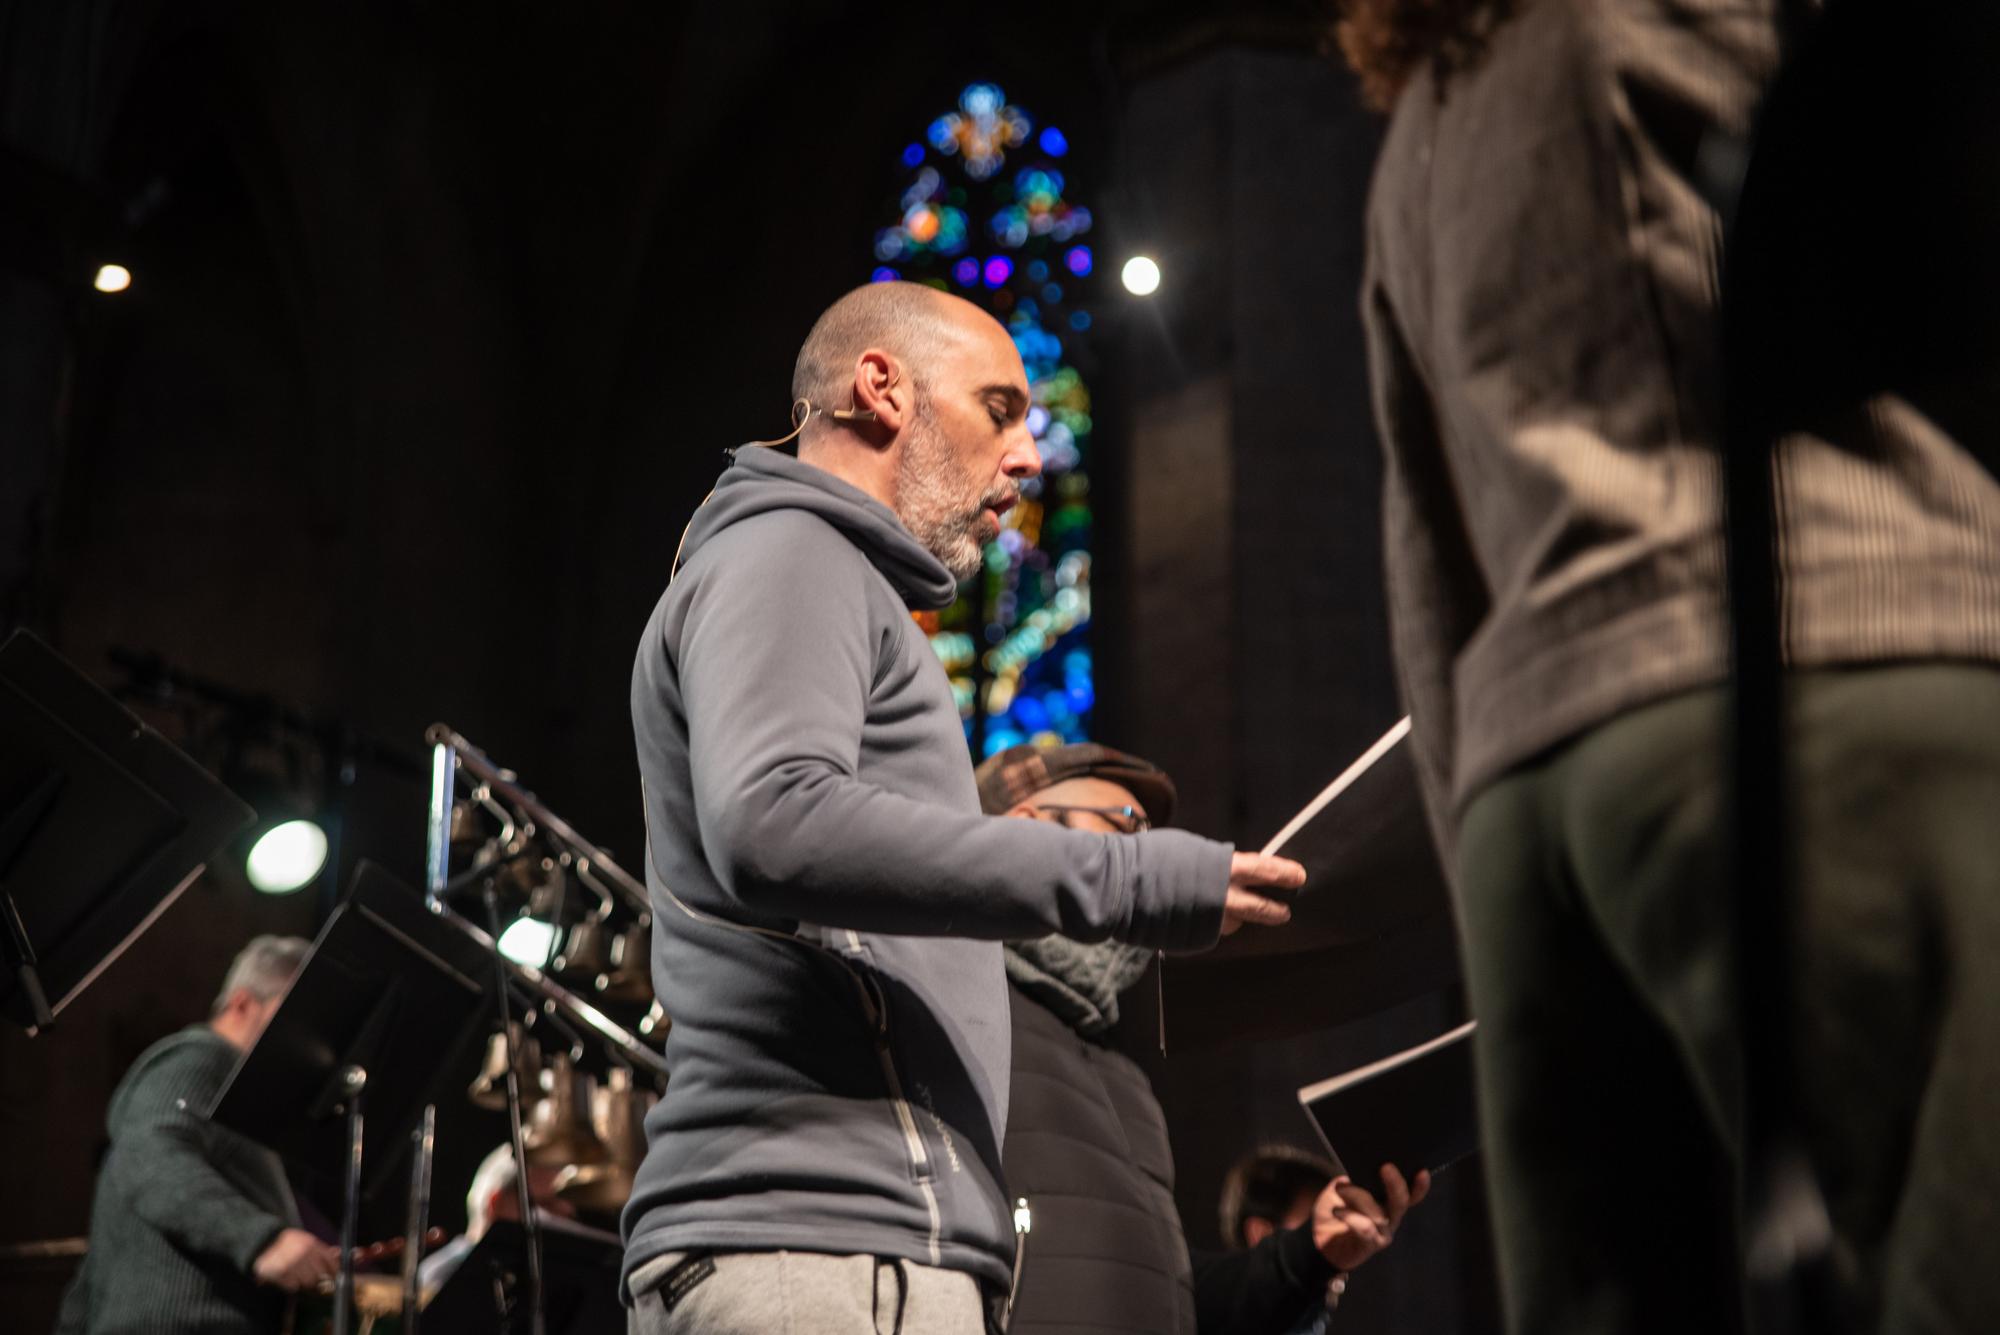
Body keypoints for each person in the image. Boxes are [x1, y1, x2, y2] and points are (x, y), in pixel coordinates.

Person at [1338, 1, 2000, 1332]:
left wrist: (1490, 874)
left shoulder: (1413, 136)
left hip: (1535, 807)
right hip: (1823, 654)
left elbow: (1427, 562)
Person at [624, 281, 1306, 1334]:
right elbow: (774, 822)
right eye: (999, 409)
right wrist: (1131, 879)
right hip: (821, 1249)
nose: (1028, 456)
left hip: (858, 1253)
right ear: (880, 387)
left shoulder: (823, 575)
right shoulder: (793, 548)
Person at [981, 742, 1426, 1335]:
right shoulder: (957, 1012)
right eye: (1127, 828)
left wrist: (1310, 1254)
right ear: (1026, 830)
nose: (1152, 862)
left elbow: (1176, 1297)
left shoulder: (1125, 1081)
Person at [54, 935, 336, 1335]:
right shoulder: (200, 1059)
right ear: (241, 1004)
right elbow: (151, 1154)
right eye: (294, 1020)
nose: (308, 1040)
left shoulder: (237, 1093)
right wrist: (262, 1240)